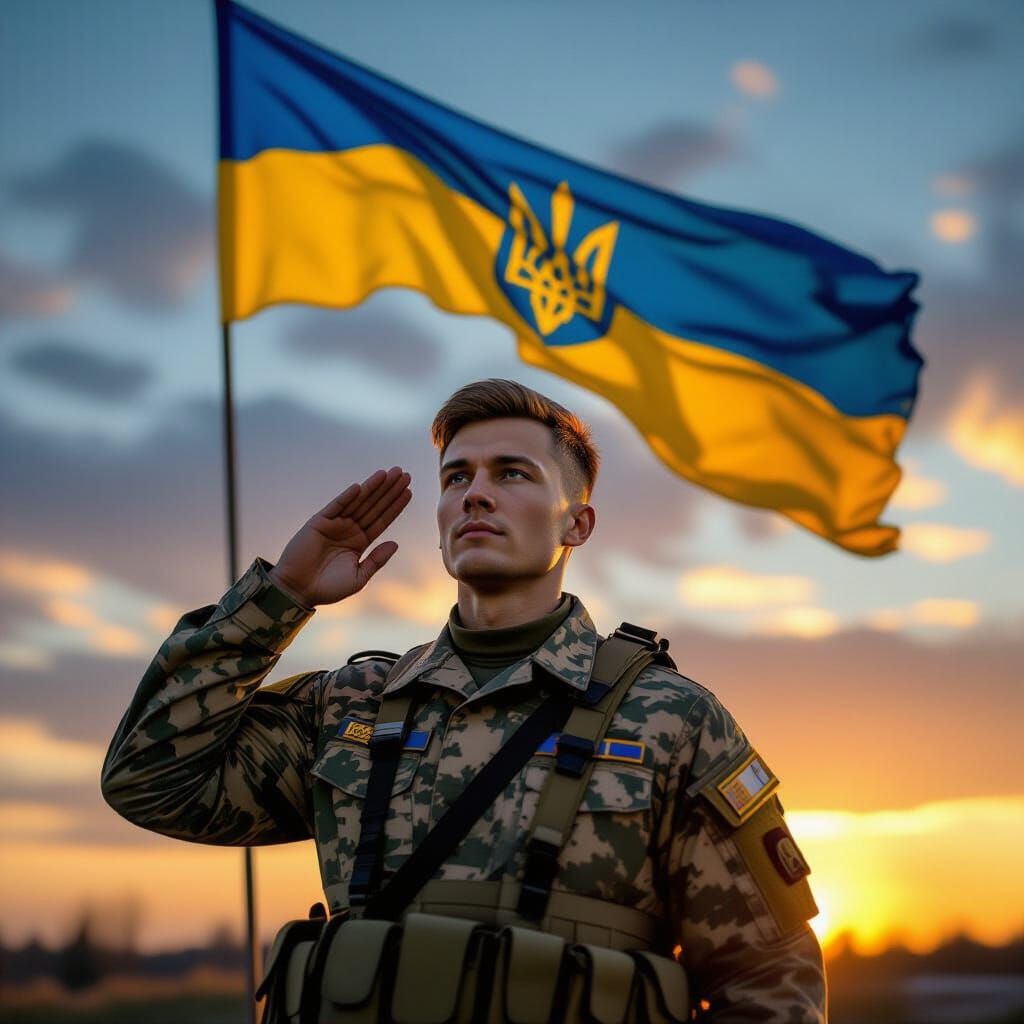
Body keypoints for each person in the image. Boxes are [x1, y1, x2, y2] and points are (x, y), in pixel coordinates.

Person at [102, 378, 826, 1021]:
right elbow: (151, 780)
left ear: (576, 523)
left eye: (511, 473)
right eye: (456, 478)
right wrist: (280, 597)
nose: (474, 493)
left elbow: (769, 979)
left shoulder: (671, 719)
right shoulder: (353, 705)